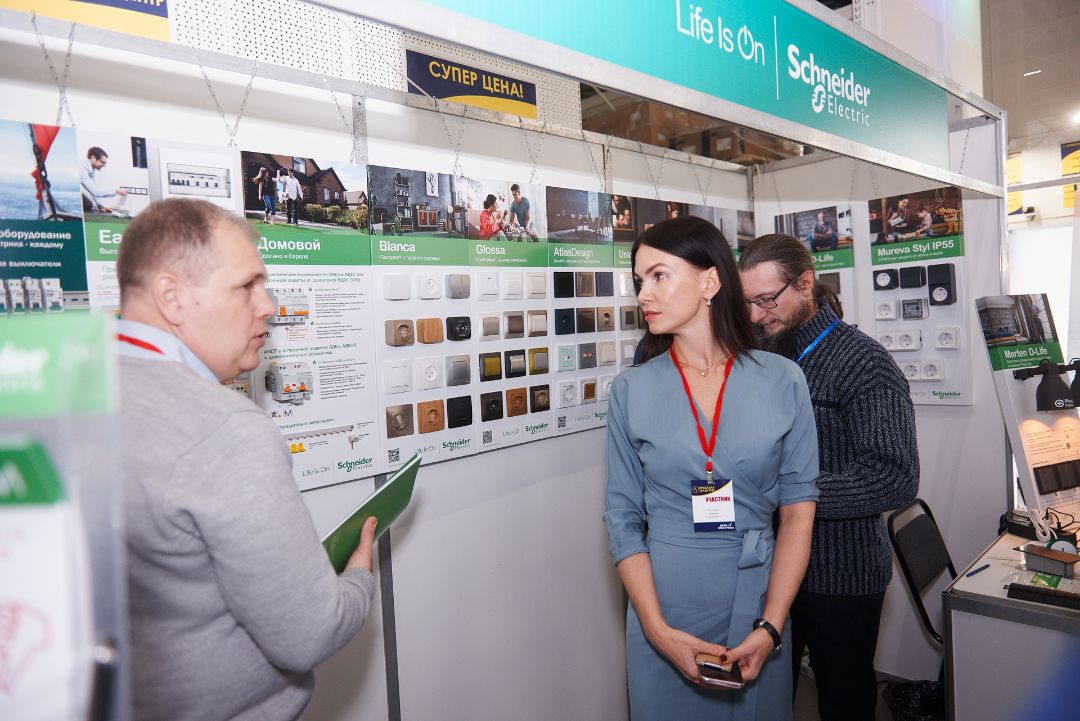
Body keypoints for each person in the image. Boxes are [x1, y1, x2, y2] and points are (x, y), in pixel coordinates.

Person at [115, 198, 378, 721]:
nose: (268, 307)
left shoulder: (67, 393)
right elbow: (311, 633)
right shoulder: (225, 429)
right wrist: (359, 578)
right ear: (171, 297)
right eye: (247, 287)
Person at [605, 216, 819, 721]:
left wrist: (771, 626)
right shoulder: (631, 390)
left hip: (758, 607)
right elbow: (622, 519)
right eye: (639, 281)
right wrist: (657, 631)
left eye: (659, 276)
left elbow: (798, 513)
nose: (643, 294)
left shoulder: (783, 380)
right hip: (665, 610)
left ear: (709, 281)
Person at [738, 233, 919, 721]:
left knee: (844, 704)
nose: (754, 315)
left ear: (805, 284)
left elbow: (893, 477)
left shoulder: (864, 363)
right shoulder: (762, 359)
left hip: (841, 577)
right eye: (746, 302)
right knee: (766, 699)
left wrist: (784, 495)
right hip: (769, 571)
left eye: (766, 300)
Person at [80, 146, 128, 213]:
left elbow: (94, 189)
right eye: (103, 162)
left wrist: (100, 205)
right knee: (87, 205)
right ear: (93, 157)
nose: (104, 165)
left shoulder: (91, 169)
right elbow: (95, 191)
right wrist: (117, 191)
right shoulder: (81, 168)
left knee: (88, 205)